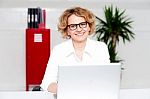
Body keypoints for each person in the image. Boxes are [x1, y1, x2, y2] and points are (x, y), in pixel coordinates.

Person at [40, 6, 110, 93]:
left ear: (89, 27)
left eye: (83, 24)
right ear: (67, 30)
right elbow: (47, 83)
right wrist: (67, 90)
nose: (79, 29)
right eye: (73, 26)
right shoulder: (58, 50)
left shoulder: (100, 48)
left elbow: (106, 80)